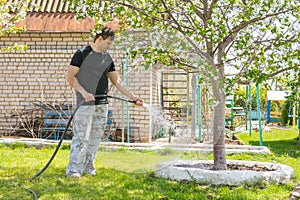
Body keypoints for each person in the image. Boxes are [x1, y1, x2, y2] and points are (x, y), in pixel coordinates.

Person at [66, 27, 143, 178]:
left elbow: (116, 81)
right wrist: (84, 93)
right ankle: (73, 170)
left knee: (95, 138)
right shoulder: (81, 54)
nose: (109, 47)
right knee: (81, 137)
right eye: (108, 43)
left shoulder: (107, 58)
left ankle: (88, 167)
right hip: (85, 103)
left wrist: (132, 97)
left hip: (102, 104)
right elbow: (70, 77)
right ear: (99, 39)